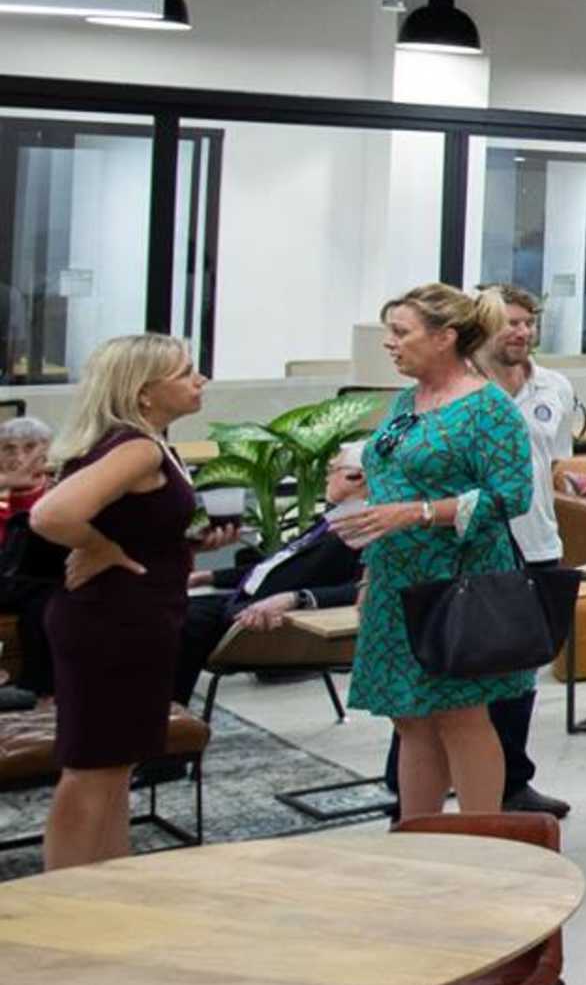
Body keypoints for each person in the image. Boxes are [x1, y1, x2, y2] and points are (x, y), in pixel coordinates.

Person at [327, 286, 543, 825]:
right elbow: (396, 473)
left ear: (445, 338)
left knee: (460, 716)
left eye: (401, 332)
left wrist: (418, 512)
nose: (389, 344)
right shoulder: (407, 402)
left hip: (455, 582)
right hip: (396, 578)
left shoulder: (488, 408)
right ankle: (418, 836)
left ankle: (477, 839)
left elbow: (509, 496)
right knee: (410, 717)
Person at [26, 333, 205, 865]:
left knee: (115, 765)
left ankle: (110, 882)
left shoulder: (143, 441)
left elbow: (136, 522)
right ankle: (66, 895)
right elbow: (51, 515)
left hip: (137, 614)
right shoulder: (136, 446)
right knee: (93, 767)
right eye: (185, 372)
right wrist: (100, 547)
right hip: (112, 620)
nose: (199, 380)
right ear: (145, 391)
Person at [469, 282, 577, 818]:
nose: (521, 331)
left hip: (536, 543)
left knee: (520, 674)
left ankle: (512, 781)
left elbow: (556, 465)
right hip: (471, 551)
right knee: (457, 665)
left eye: (528, 322)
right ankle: (426, 775)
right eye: (509, 321)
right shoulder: (460, 388)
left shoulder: (554, 387)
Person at [181, 446, 366, 703]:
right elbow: (271, 567)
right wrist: (207, 576)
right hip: (241, 600)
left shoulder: (361, 527)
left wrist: (296, 598)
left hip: (267, 616)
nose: (325, 478)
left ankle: (169, 716)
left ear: (358, 478)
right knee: (161, 612)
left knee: (176, 623)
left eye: (332, 471)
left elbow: (361, 588)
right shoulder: (332, 521)